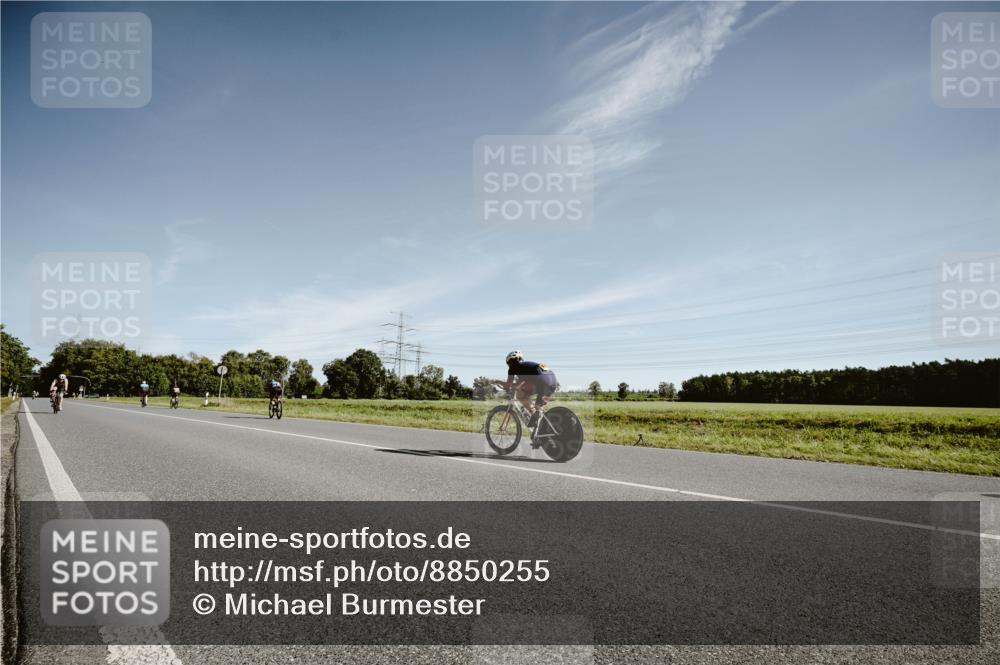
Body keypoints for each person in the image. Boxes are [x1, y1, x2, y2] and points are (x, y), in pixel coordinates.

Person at [501, 351, 558, 427]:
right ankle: (539, 419)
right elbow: (520, 383)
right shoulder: (527, 366)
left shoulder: (513, 368)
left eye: (510, 362)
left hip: (542, 382)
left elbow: (509, 385)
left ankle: (534, 414)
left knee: (520, 396)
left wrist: (498, 382)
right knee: (537, 405)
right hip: (553, 382)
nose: (510, 364)